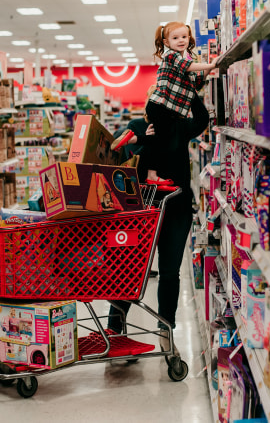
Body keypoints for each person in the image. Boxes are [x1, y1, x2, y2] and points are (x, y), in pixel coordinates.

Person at [107, 92, 210, 354]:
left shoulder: (180, 128)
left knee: (169, 272)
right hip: (142, 211)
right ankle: (114, 328)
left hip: (177, 209)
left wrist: (191, 89)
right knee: (129, 269)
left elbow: (203, 118)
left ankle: (166, 329)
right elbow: (121, 166)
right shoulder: (136, 128)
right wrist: (146, 141)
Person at [138, 22, 217, 188]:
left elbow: (196, 83)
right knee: (159, 139)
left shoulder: (186, 59)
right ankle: (152, 174)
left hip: (169, 110)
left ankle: (154, 173)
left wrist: (208, 70)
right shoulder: (172, 56)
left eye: (184, 36)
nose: (181, 40)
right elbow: (187, 67)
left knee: (161, 139)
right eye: (175, 38)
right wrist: (211, 64)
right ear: (167, 42)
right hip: (159, 107)